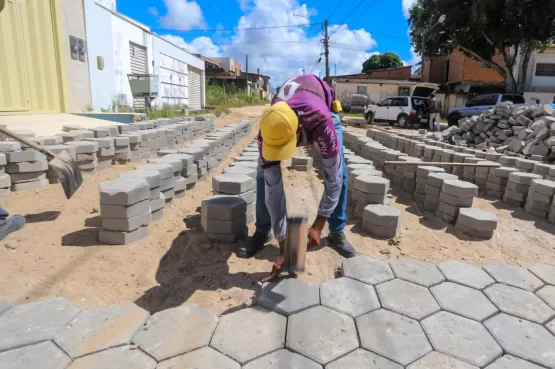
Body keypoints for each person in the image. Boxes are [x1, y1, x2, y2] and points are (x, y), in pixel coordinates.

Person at [237, 74, 356, 281]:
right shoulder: (268, 128)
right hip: (291, 111)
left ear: (299, 131)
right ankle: (263, 231)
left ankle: (336, 232)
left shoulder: (321, 122)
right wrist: (285, 247)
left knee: (340, 173)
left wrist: (318, 224)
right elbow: (274, 189)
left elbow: (333, 177)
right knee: (262, 177)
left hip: (321, 108)